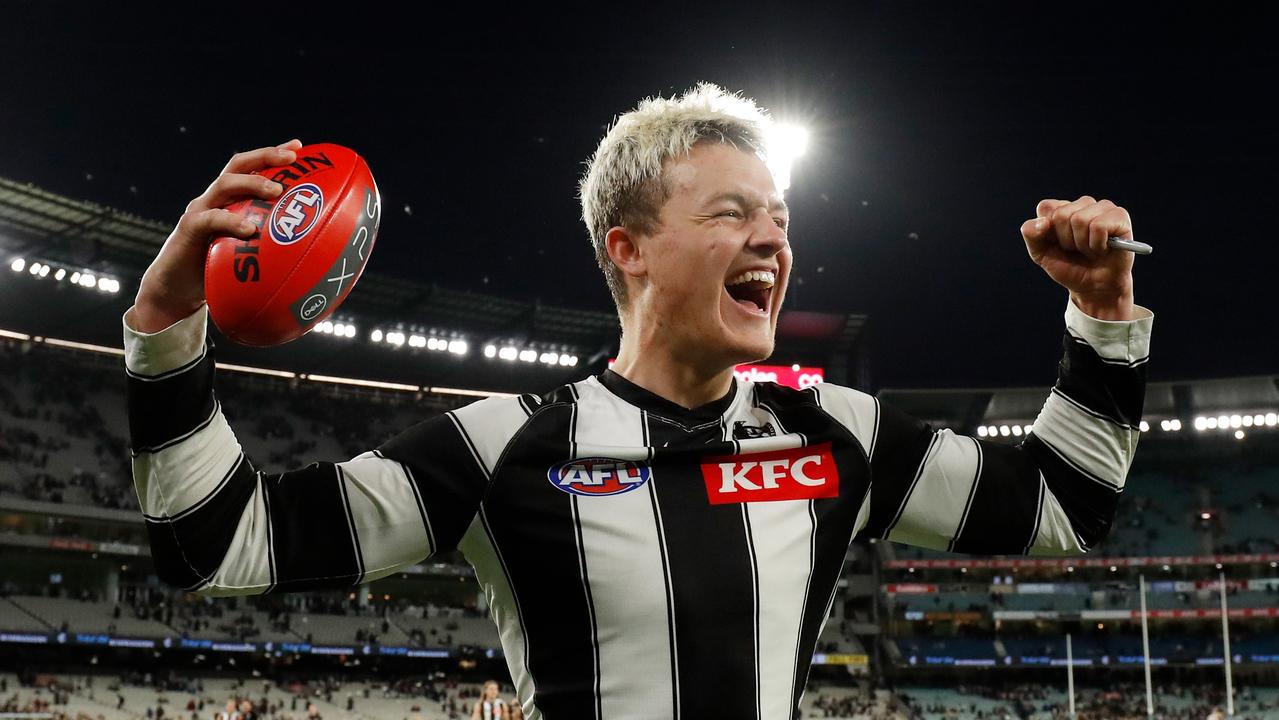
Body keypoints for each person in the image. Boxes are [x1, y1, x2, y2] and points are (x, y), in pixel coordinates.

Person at [123, 83, 1153, 718]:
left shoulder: (839, 433)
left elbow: (1064, 505)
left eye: (780, 218)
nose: (773, 241)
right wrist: (168, 317)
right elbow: (219, 543)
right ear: (629, 250)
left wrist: (1103, 315)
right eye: (731, 213)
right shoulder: (502, 448)